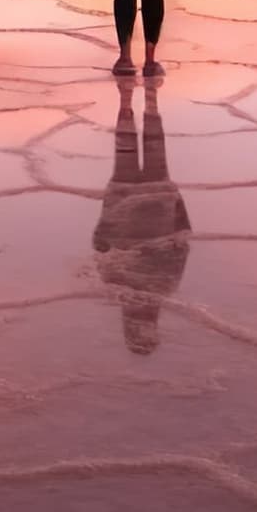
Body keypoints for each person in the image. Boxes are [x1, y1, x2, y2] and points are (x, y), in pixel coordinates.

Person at [92, 79, 190, 355]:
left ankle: (143, 100)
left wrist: (178, 206)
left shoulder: (154, 289)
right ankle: (138, 100)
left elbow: (102, 245)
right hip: (143, 203)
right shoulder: (143, 289)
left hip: (145, 204)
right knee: (137, 146)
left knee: (145, 146)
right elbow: (101, 244)